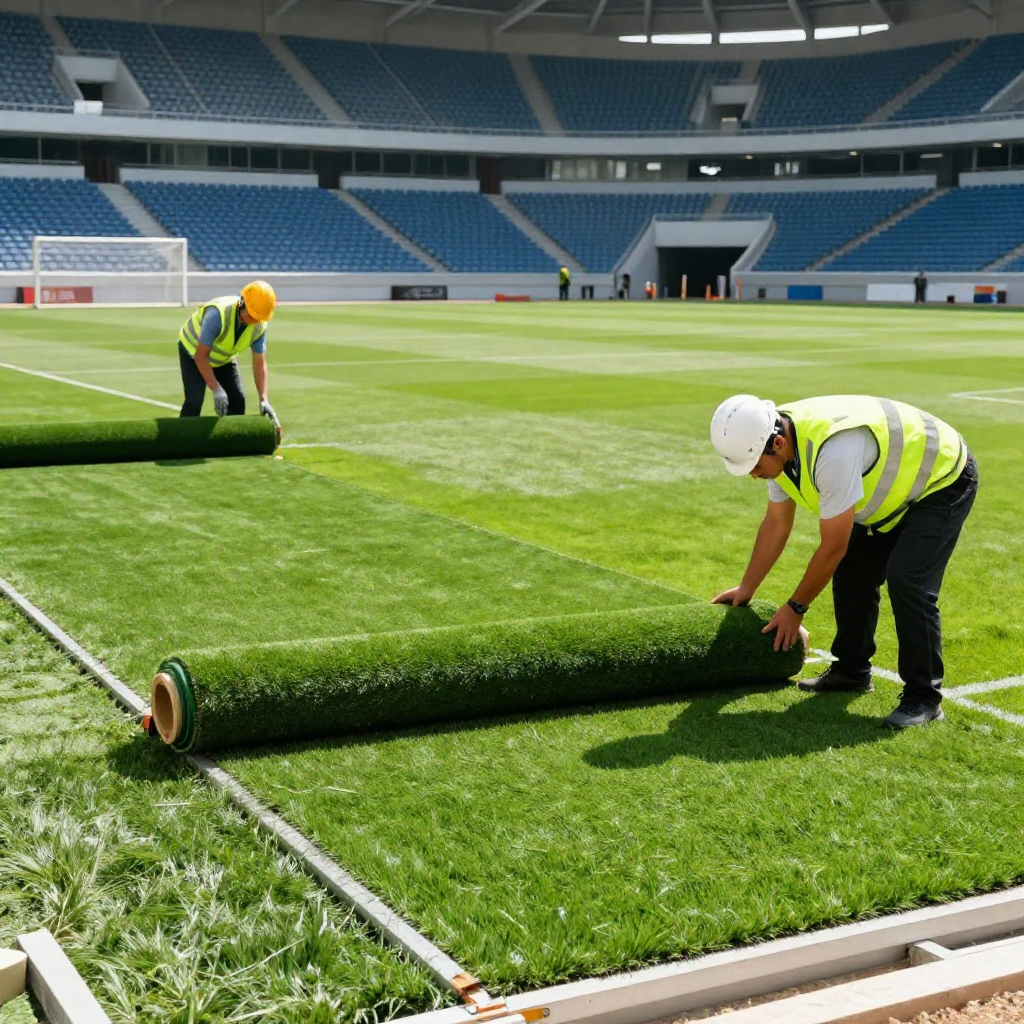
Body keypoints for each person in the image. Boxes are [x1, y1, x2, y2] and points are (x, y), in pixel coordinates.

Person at [709, 394, 977, 730]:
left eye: (756, 467)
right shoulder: (780, 448)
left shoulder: (832, 453)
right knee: (853, 571)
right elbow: (777, 524)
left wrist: (795, 607)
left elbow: (833, 545)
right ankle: (852, 672)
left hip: (942, 479)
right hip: (893, 490)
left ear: (777, 443)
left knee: (909, 580)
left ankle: (924, 698)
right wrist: (747, 587)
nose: (754, 475)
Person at [177, 280, 281, 441]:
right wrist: (216, 389)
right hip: (193, 351)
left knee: (237, 400)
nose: (254, 322)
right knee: (194, 400)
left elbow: (259, 362)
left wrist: (263, 399)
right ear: (241, 303)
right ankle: (180, 441)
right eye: (251, 316)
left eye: (257, 319)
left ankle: (229, 442)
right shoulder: (217, 315)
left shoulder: (259, 325)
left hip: (223, 357)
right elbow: (200, 356)